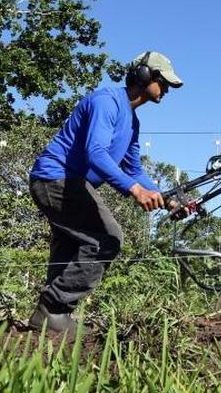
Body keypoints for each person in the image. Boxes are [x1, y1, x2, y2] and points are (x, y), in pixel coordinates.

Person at [27, 51, 183, 334]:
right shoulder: (106, 102)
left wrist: (168, 199)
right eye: (163, 82)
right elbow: (96, 153)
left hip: (69, 183)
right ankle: (53, 308)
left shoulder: (132, 122)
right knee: (106, 240)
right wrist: (134, 191)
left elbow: (135, 170)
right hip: (57, 178)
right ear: (145, 76)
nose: (167, 90)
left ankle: (49, 322)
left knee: (72, 245)